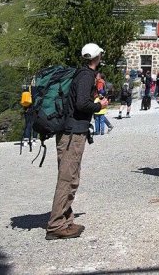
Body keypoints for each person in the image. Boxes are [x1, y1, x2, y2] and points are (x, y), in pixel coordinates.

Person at [46, 43, 109, 241]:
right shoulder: (86, 76)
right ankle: (56, 225)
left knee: (70, 175)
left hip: (69, 130)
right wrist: (99, 104)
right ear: (97, 57)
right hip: (73, 133)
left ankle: (66, 219)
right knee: (68, 177)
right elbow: (82, 104)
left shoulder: (79, 74)